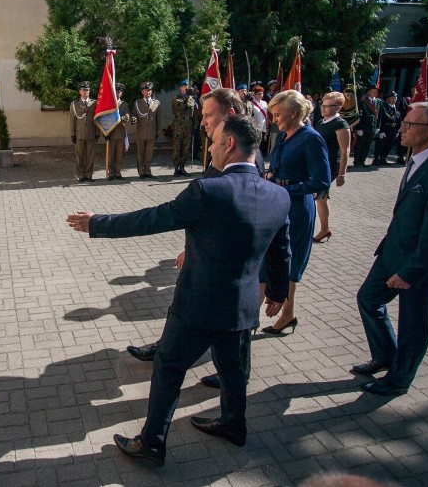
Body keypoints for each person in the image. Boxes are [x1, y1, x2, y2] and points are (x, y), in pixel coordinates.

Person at [67, 115, 291, 465]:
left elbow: (153, 219)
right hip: (241, 306)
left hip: (198, 306)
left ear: (229, 144)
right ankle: (235, 425)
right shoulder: (279, 195)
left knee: (169, 367)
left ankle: (152, 443)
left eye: (215, 141)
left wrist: (97, 223)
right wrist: (278, 291)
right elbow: (280, 251)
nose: (211, 148)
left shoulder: (209, 190)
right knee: (232, 370)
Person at [126, 90, 266, 393]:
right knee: (225, 324)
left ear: (228, 115)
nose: (202, 121)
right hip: (212, 252)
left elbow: (241, 216)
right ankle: (207, 364)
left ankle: (236, 376)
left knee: (235, 326)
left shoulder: (246, 157)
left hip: (230, 262)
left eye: (208, 115)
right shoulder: (220, 150)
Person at [353, 101, 428, 396]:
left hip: (420, 265)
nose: (401, 128)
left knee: (413, 324)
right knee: (368, 298)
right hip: (393, 252)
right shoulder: (417, 158)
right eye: (404, 122)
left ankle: (399, 379)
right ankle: (386, 356)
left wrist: (411, 271)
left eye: (409, 124)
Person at [262, 90, 330, 334]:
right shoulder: (283, 136)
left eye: (278, 115)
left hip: (298, 208)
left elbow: (322, 181)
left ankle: (282, 315)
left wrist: (287, 187)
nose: (274, 119)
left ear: (293, 113)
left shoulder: (311, 138)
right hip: (278, 203)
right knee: (271, 259)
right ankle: (287, 313)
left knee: (289, 260)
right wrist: (271, 176)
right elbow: (278, 166)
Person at [313, 91, 350, 243]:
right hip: (317, 164)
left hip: (328, 166)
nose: (323, 108)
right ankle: (324, 228)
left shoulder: (340, 124)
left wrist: (342, 174)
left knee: (321, 196)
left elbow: (345, 150)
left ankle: (324, 229)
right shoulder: (321, 122)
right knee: (321, 198)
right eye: (322, 105)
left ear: (338, 107)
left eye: (328, 106)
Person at [70, 81, 98, 182]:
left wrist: (97, 133)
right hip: (79, 134)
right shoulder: (75, 104)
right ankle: (81, 175)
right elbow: (72, 120)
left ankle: (89, 175)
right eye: (84, 90)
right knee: (80, 156)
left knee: (90, 156)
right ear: (80, 92)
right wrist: (72, 134)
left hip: (91, 134)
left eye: (87, 90)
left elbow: (97, 119)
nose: (86, 92)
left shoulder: (94, 103)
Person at [132, 81, 161, 178]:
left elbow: (158, 119)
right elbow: (134, 114)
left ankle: (148, 171)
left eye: (149, 90)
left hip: (151, 133)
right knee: (140, 153)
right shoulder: (137, 103)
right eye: (145, 90)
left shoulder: (156, 103)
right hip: (141, 132)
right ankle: (141, 172)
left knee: (149, 154)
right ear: (142, 92)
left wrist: (158, 131)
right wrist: (134, 118)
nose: (148, 92)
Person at [171, 80, 195, 177]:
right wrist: (187, 97)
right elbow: (180, 107)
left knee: (185, 148)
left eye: (187, 86)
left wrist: (195, 125)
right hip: (179, 126)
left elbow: (193, 114)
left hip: (188, 126)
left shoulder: (192, 100)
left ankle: (182, 167)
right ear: (180, 88)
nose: (186, 88)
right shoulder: (176, 98)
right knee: (177, 147)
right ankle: (176, 168)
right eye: (184, 86)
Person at [353, 84, 380, 168]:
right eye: (373, 91)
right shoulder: (363, 101)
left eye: (376, 91)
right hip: (363, 127)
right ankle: (357, 161)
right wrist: (358, 128)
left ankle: (362, 161)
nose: (375, 93)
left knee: (367, 146)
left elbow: (380, 115)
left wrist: (378, 126)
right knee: (360, 145)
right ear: (369, 92)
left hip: (372, 127)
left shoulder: (378, 102)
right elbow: (359, 115)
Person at [107, 83, 129, 180]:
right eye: (116, 91)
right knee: (111, 155)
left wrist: (119, 118)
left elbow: (127, 117)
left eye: (119, 92)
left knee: (119, 155)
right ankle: (111, 174)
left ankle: (118, 173)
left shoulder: (124, 104)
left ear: (121, 93)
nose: (117, 93)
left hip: (120, 134)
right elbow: (105, 118)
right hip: (110, 133)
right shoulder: (108, 104)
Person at [373, 91, 402, 165]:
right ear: (388, 99)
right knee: (381, 145)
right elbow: (382, 118)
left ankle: (383, 158)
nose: (394, 99)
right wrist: (381, 130)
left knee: (389, 145)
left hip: (393, 129)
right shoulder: (384, 106)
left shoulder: (396, 107)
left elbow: (398, 118)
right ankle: (376, 159)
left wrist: (398, 131)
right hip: (385, 128)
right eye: (392, 98)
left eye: (395, 98)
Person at [250, 84, 269, 156]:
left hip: (263, 127)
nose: (260, 95)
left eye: (262, 93)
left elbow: (266, 117)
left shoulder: (264, 103)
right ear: (254, 95)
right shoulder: (251, 103)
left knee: (261, 145)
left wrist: (267, 128)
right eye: (258, 94)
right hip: (255, 127)